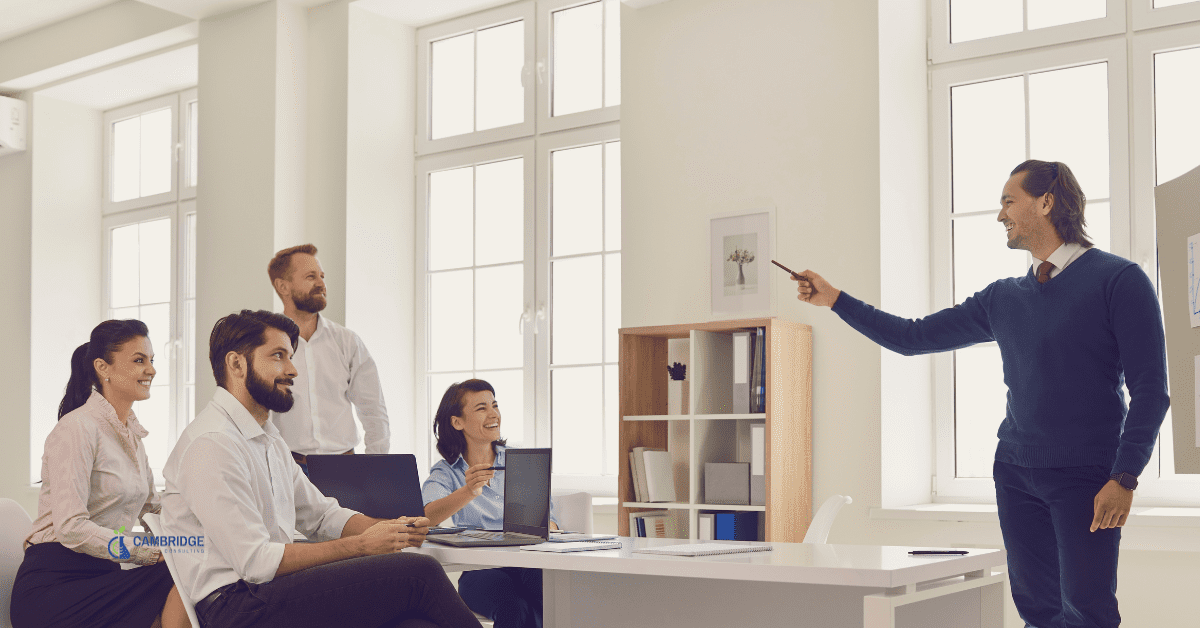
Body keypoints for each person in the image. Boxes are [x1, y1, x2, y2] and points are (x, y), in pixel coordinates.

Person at [791, 160, 1169, 628]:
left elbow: (1152, 389)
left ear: (1046, 202)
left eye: (1009, 201)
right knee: (1036, 611)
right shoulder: (1004, 297)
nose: (1000, 215)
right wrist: (836, 300)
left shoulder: (1119, 280)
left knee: (1087, 612)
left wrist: (1125, 476)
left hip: (1087, 476)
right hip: (1016, 473)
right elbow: (912, 337)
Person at [161, 310, 481, 628]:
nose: (292, 369)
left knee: (415, 622)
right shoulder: (212, 444)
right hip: (237, 607)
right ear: (236, 364)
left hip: (267, 592)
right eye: (278, 356)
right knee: (419, 572)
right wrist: (361, 546)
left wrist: (393, 529)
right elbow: (256, 562)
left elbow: (322, 515)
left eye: (291, 356)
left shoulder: (267, 437)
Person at [12, 319, 188, 628]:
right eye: (139, 360)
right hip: (55, 585)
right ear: (102, 368)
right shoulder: (77, 428)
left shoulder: (131, 435)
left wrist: (202, 527)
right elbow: (72, 528)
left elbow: (153, 508)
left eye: (151, 360)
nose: (151, 370)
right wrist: (146, 552)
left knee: (194, 563)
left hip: (103, 575)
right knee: (179, 571)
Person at [422, 380, 560, 628]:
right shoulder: (447, 472)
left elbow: (551, 522)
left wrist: (546, 527)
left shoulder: (523, 462)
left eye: (494, 405)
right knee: (515, 608)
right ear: (457, 422)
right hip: (480, 572)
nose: (493, 414)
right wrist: (468, 491)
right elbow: (426, 516)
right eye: (481, 408)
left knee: (553, 596)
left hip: (528, 563)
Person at [267, 244, 390, 473]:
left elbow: (373, 410)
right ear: (283, 286)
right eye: (310, 276)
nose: (321, 284)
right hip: (287, 469)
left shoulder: (347, 341)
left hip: (345, 469)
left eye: (322, 276)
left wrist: (376, 469)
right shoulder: (264, 344)